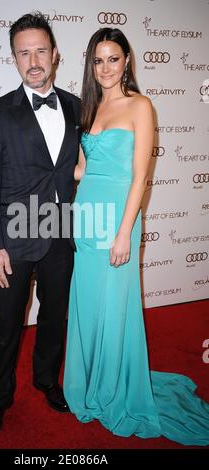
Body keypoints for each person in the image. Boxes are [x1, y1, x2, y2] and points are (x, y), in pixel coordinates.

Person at [63, 27, 209, 446]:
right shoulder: (88, 108)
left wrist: (125, 232)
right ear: (90, 65)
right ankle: (88, 382)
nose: (105, 67)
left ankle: (114, 389)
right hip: (88, 215)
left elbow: (141, 175)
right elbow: (81, 170)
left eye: (113, 58)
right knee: (89, 304)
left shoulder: (140, 106)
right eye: (98, 60)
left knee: (114, 306)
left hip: (119, 220)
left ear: (127, 60)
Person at [0, 12, 80, 438]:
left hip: (62, 229)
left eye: (41, 50)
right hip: (14, 235)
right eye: (24, 53)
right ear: (14, 59)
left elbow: (82, 168)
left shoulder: (76, 105)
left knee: (55, 315)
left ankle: (46, 380)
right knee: (6, 324)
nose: (33, 60)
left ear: (55, 55)